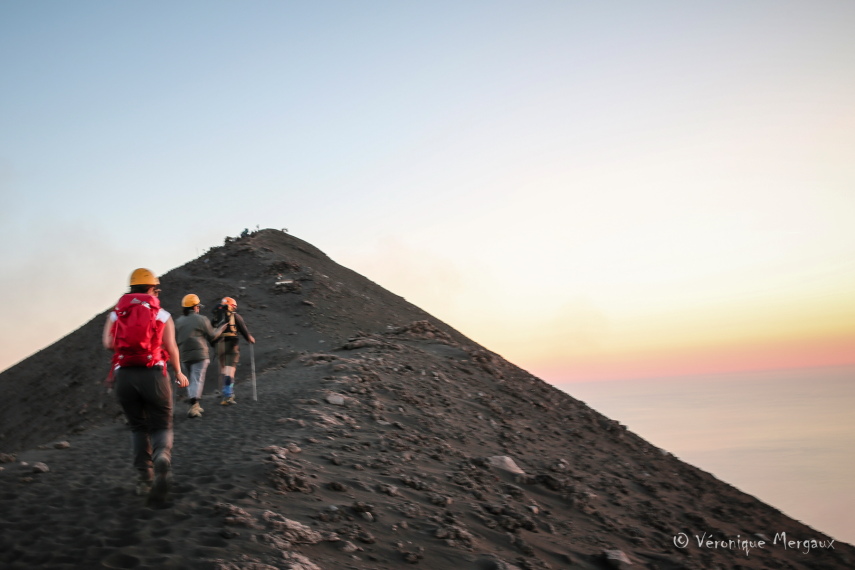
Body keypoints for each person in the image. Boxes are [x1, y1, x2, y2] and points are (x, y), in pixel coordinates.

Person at [102, 268, 188, 504]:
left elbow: (108, 343)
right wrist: (179, 372)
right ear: (152, 289)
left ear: (131, 288)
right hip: (154, 375)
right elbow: (171, 347)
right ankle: (162, 455)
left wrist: (127, 349)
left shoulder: (116, 314)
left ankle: (144, 478)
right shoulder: (162, 315)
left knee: (138, 428)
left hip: (125, 376)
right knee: (162, 423)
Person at [175, 294, 226, 418]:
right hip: (200, 354)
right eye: (198, 306)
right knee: (197, 379)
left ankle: (195, 404)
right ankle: (194, 405)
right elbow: (212, 336)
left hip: (184, 356)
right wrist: (221, 329)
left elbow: (174, 340)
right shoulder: (201, 319)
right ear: (195, 307)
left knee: (191, 380)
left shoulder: (178, 322)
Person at [213, 296, 255, 405]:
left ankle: (225, 393)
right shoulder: (235, 316)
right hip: (232, 345)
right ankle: (228, 395)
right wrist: (251, 339)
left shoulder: (216, 318)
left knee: (224, 371)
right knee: (230, 372)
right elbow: (246, 333)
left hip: (219, 346)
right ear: (232, 306)